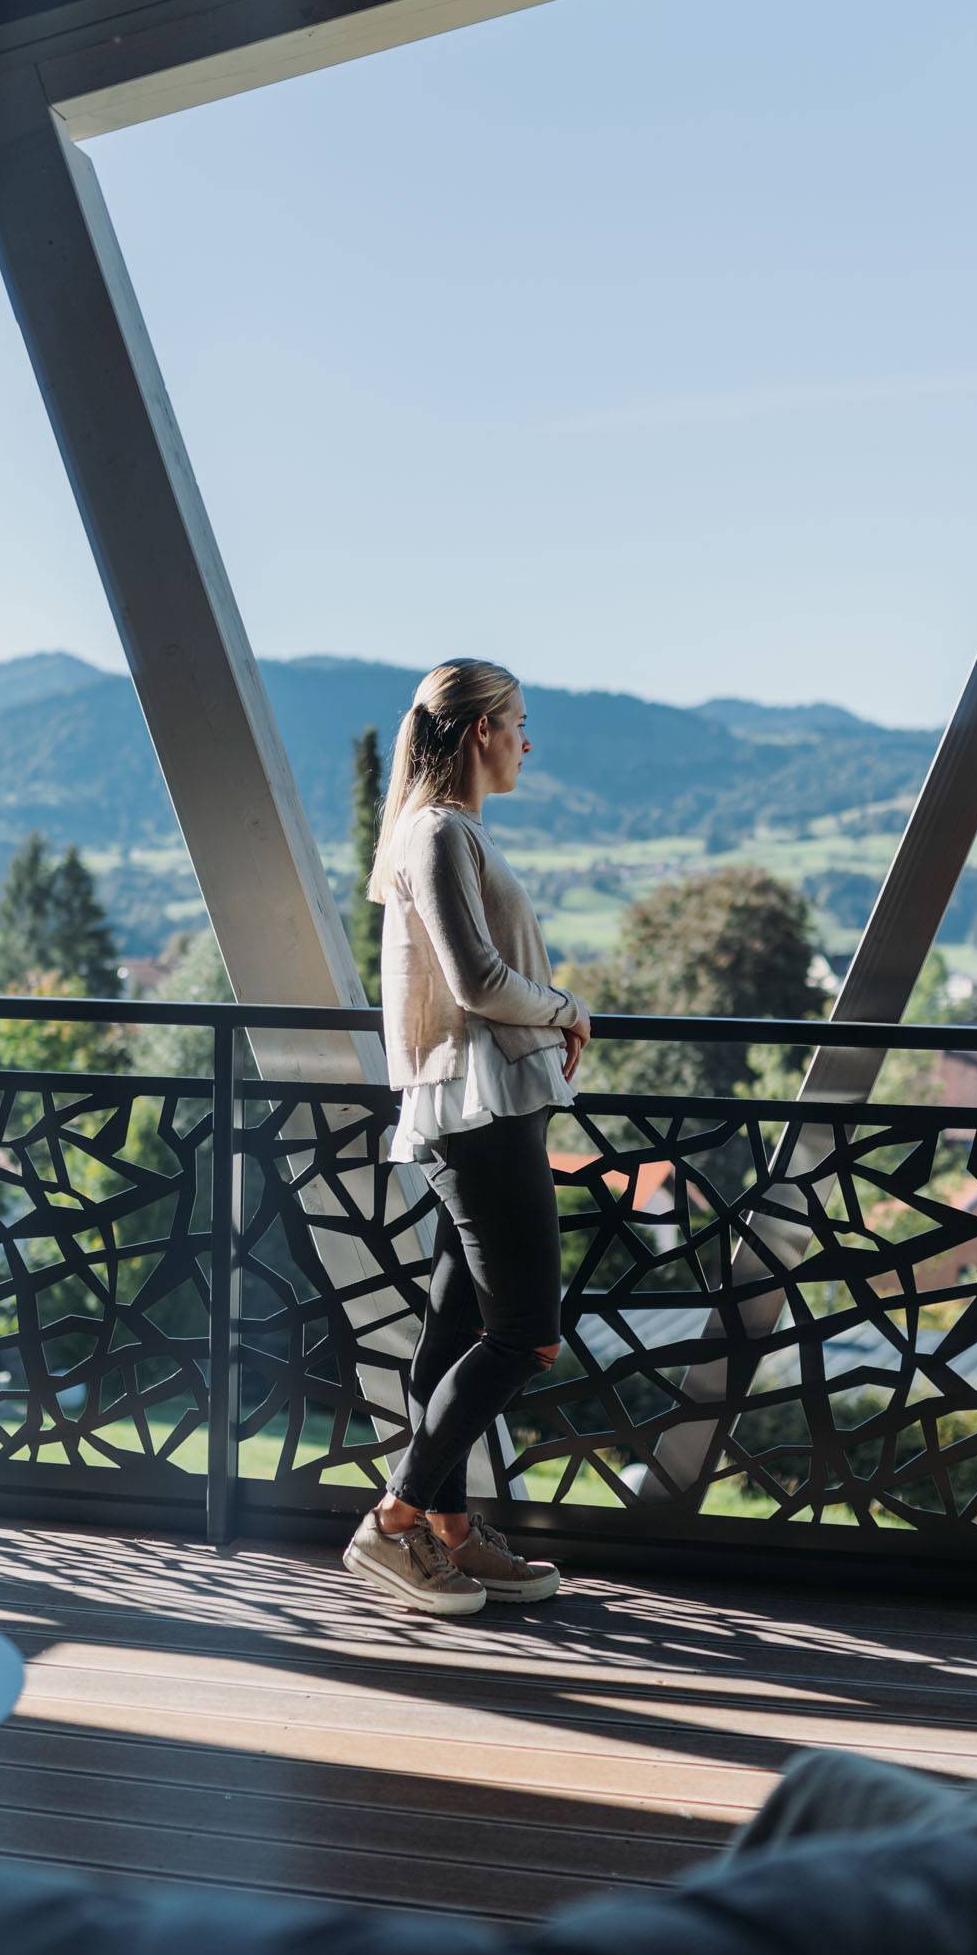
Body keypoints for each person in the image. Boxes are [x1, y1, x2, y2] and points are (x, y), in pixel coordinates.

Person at [342, 661, 592, 1617]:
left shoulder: (442, 833)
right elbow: (479, 981)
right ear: (479, 729)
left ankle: (447, 1533)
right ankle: (394, 1525)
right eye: (520, 722)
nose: (528, 742)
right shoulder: (439, 832)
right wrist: (569, 1008)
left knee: (453, 1331)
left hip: (480, 1106)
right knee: (526, 1333)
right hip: (476, 1111)